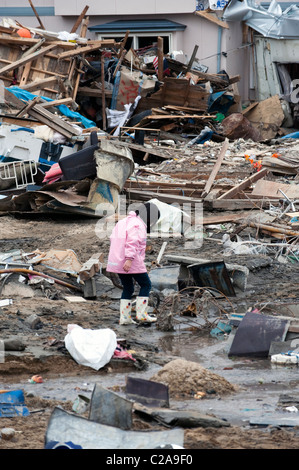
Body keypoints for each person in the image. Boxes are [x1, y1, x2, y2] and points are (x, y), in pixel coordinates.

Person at [107, 202, 159, 325]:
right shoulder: (137, 225)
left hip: (118, 261)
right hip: (130, 261)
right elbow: (133, 242)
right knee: (146, 284)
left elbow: (113, 240)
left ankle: (125, 318)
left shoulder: (123, 222)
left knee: (128, 288)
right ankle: (142, 315)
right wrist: (129, 259)